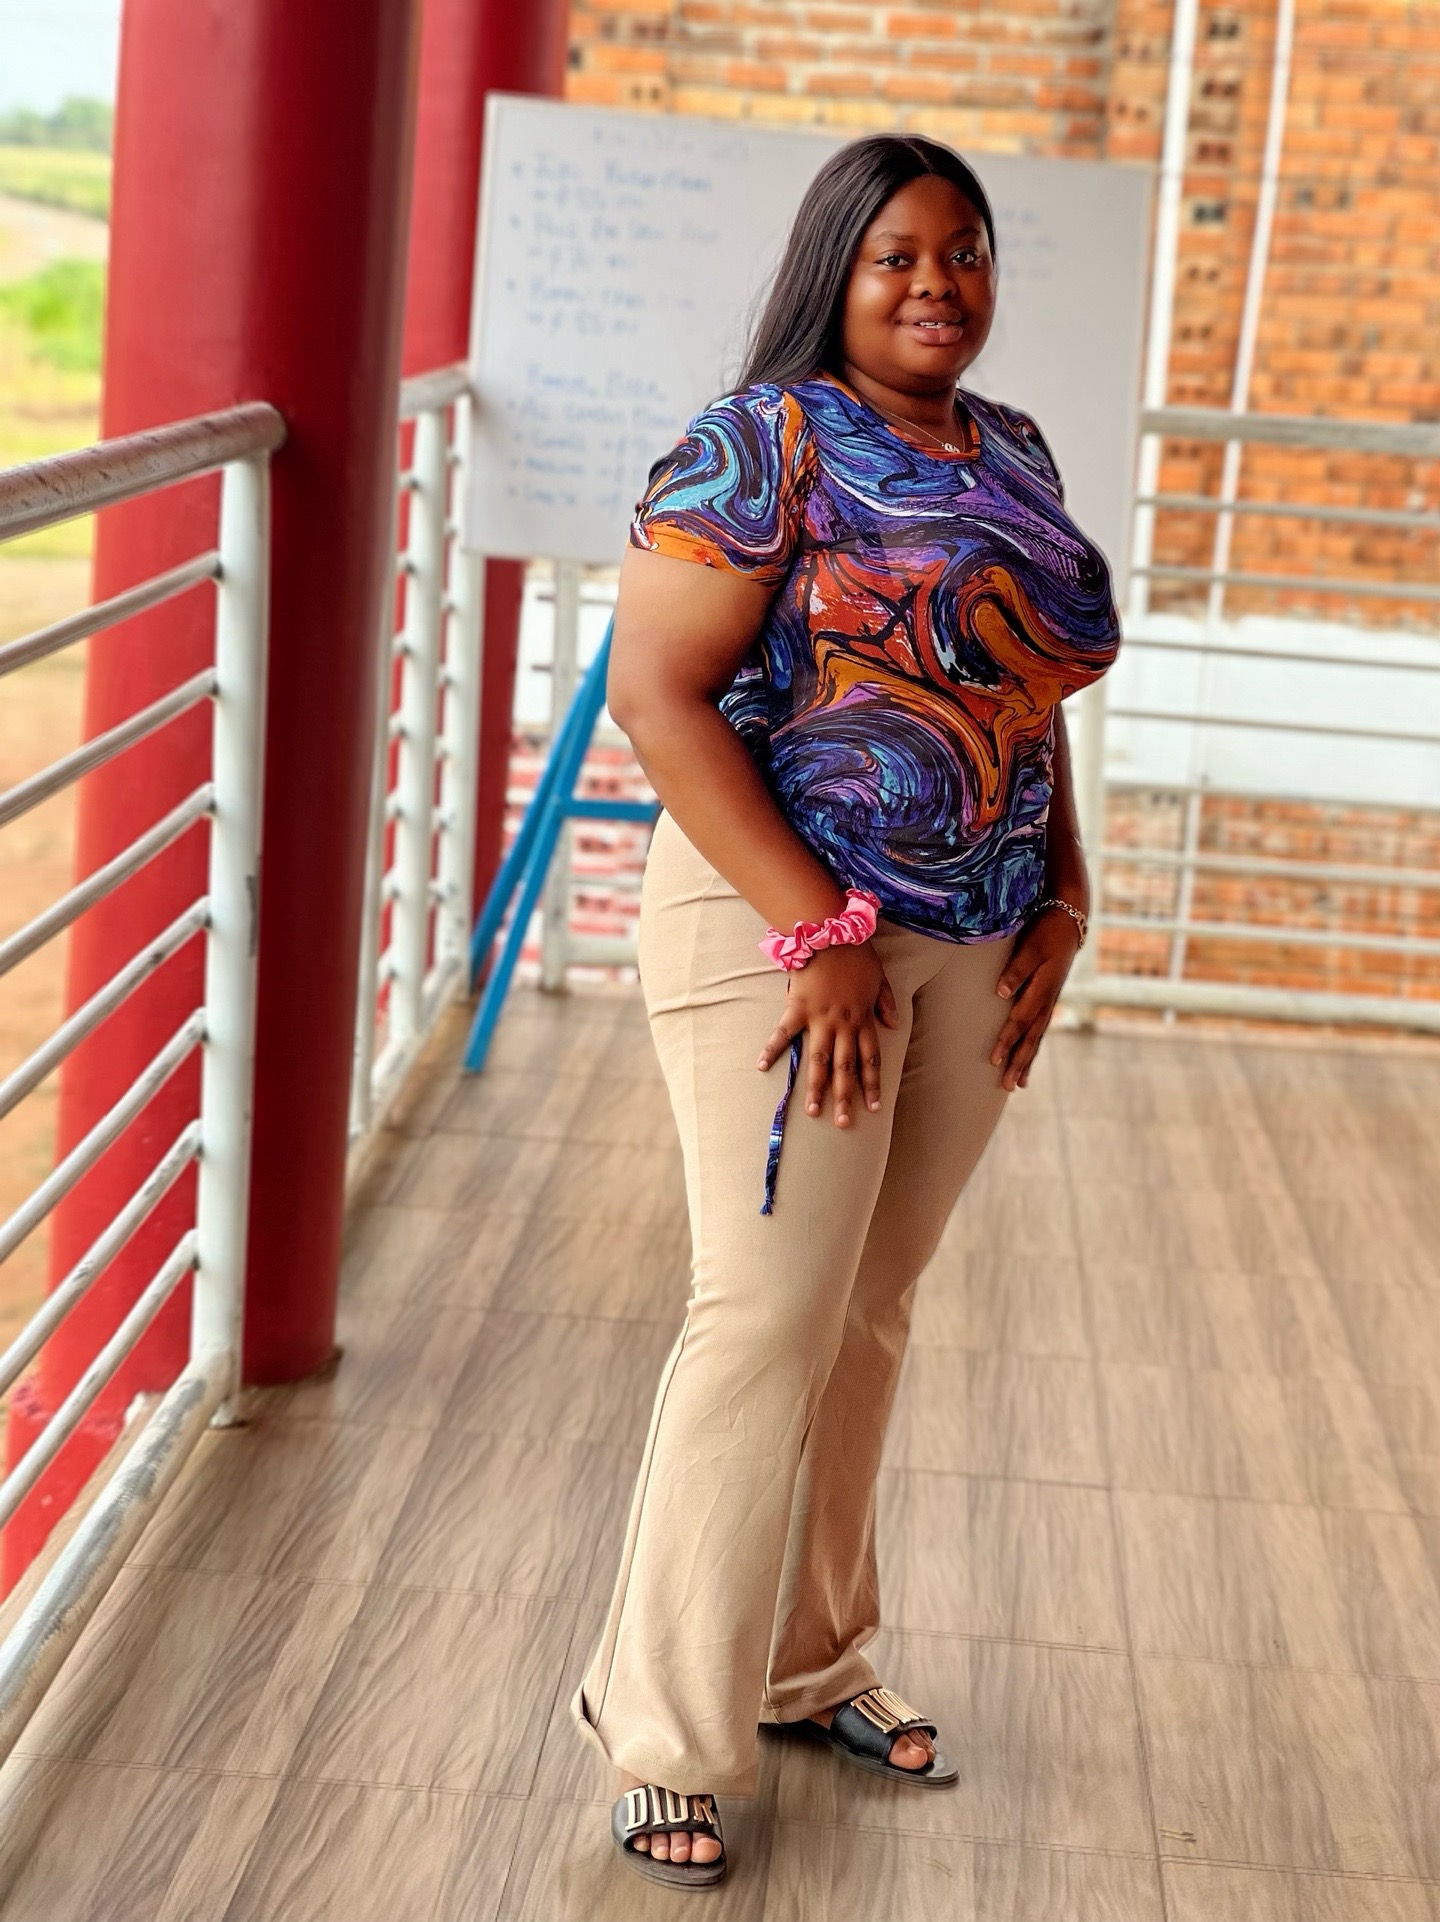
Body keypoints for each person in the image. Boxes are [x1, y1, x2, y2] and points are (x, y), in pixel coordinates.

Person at [572, 132, 1121, 1889]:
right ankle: (660, 1724)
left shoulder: (1012, 448)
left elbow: (1025, 694)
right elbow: (657, 695)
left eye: (964, 253)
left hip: (979, 932)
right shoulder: (764, 441)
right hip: (783, 930)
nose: (937, 284)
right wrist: (817, 931)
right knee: (764, 1312)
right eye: (898, 256)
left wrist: (1067, 886)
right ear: (838, 268)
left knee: (868, 1304)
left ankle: (808, 1662)